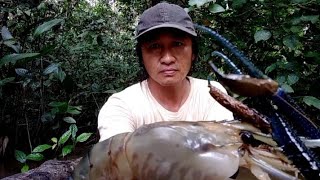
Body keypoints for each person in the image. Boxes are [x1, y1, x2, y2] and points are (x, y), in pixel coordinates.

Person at [98, 2, 233, 141]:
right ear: (141, 56)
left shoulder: (211, 94)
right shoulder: (122, 105)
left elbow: (223, 150)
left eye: (178, 44)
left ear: (193, 52)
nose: (167, 59)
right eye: (154, 46)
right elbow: (115, 156)